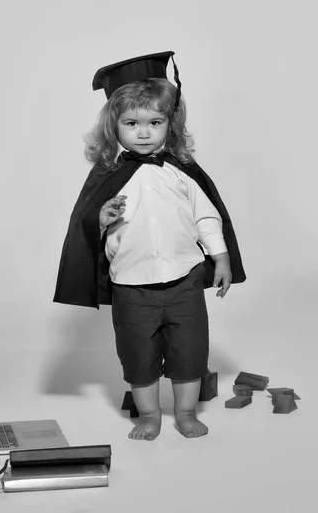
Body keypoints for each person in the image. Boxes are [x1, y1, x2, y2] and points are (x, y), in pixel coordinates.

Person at [54, 51, 246, 441]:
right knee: (138, 355)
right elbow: (88, 228)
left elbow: (208, 218)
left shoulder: (183, 172)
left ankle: (187, 411)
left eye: (154, 122)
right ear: (114, 126)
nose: (143, 133)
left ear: (169, 124)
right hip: (133, 287)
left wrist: (221, 258)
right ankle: (149, 416)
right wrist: (102, 219)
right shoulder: (107, 177)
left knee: (190, 351)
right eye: (132, 123)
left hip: (184, 281)